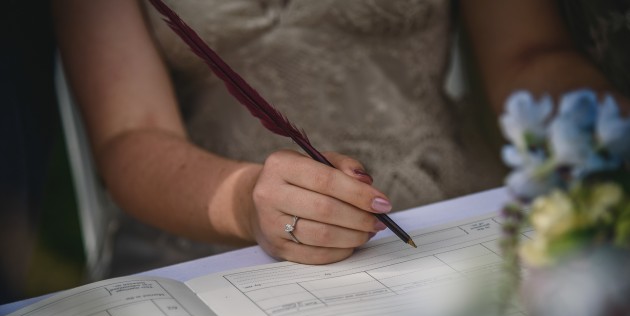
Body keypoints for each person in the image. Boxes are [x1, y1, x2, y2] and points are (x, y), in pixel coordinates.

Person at [52, 0, 625, 276]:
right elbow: (132, 133)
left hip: (452, 211)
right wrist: (241, 201)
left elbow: (526, 56)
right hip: (218, 241)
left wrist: (602, 126)